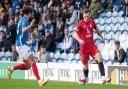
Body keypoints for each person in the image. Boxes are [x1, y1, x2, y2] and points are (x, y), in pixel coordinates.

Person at [7, 6, 48, 86]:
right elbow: (23, 30)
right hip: (21, 45)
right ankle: (40, 80)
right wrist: (31, 25)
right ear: (29, 13)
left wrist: (32, 33)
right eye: (32, 13)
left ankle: (11, 68)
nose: (32, 14)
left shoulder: (22, 20)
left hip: (20, 45)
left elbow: (26, 31)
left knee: (28, 66)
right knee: (32, 61)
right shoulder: (25, 20)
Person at [74, 8, 110, 84]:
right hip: (83, 48)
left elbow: (96, 29)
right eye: (85, 16)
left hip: (91, 45)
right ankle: (86, 78)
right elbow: (75, 34)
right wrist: (80, 40)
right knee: (85, 66)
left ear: (89, 15)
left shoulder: (92, 22)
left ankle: (103, 78)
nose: (86, 18)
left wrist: (101, 36)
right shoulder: (80, 23)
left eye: (87, 16)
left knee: (99, 58)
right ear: (83, 16)